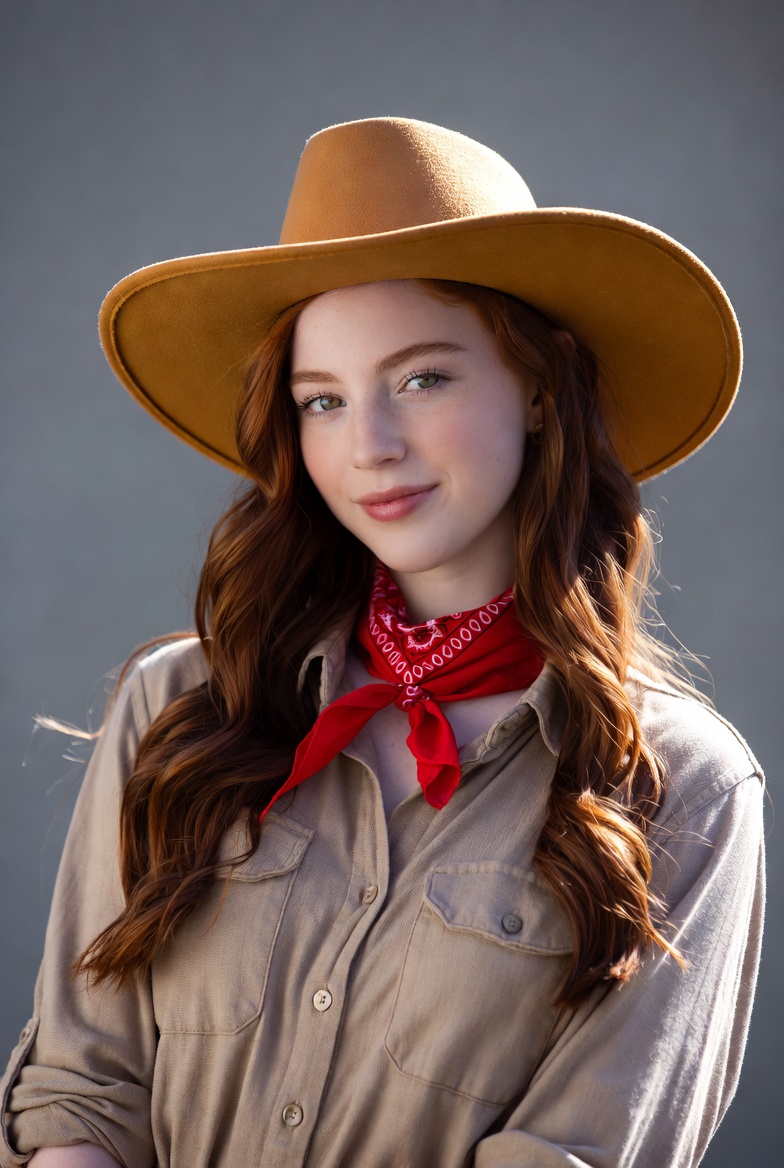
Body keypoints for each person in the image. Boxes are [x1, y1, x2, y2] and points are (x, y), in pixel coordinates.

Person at [0, 118, 764, 1168]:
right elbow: (82, 1092)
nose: (370, 446)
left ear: (539, 389)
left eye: (421, 379)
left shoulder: (684, 788)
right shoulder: (177, 703)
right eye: (323, 400)